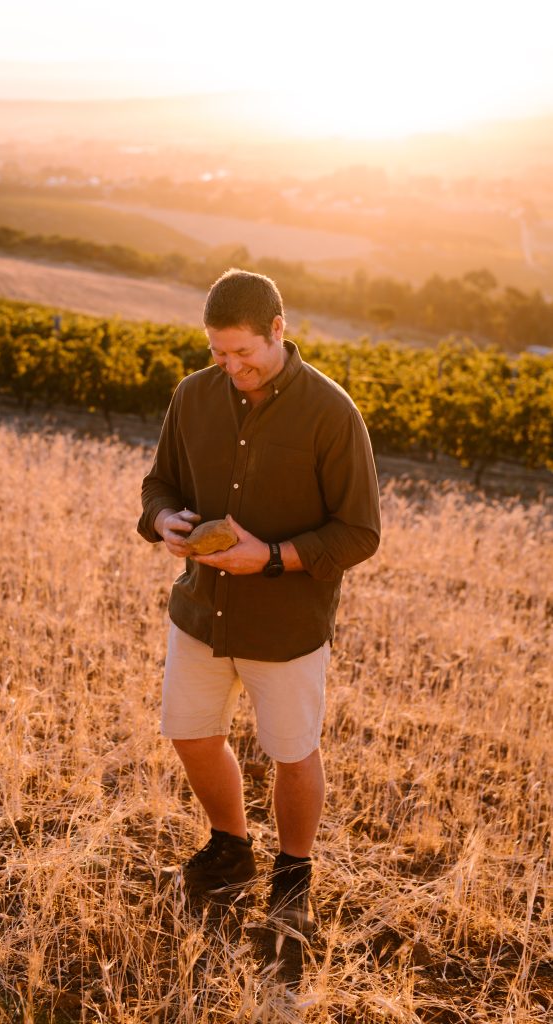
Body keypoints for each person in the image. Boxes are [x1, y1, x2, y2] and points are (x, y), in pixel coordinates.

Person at [137, 269, 381, 936]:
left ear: (279, 329)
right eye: (218, 352)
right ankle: (229, 845)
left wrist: (269, 558)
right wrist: (163, 522)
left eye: (242, 352)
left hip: (287, 623)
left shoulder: (332, 413)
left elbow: (359, 532)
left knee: (290, 751)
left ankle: (292, 874)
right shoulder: (192, 396)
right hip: (200, 611)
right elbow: (158, 483)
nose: (229, 366)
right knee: (188, 733)